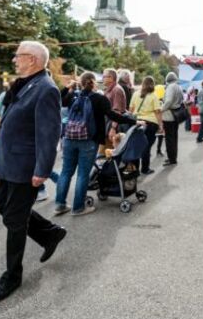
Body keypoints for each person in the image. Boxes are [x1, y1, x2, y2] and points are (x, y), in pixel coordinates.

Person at [0, 41, 65, 304]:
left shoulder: (45, 89)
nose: (14, 61)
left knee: (14, 221)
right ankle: (50, 232)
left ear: (31, 59)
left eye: (17, 56)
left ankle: (12, 276)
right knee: (4, 208)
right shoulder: (26, 84)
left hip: (25, 166)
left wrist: (42, 170)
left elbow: (49, 134)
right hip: (9, 163)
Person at [52, 72, 138, 216]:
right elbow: (113, 115)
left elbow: (60, 101)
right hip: (89, 139)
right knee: (83, 174)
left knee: (66, 172)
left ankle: (60, 205)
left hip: (69, 138)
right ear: (92, 82)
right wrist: (134, 121)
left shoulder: (74, 96)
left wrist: (68, 88)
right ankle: (78, 207)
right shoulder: (99, 98)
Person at [128, 76, 162, 175]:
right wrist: (160, 125)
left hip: (137, 123)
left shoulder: (135, 94)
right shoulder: (154, 96)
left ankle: (135, 169)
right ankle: (145, 168)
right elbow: (157, 112)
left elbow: (131, 110)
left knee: (136, 146)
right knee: (146, 146)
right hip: (151, 123)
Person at [160, 72, 184, 166]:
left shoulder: (170, 87)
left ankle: (171, 159)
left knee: (169, 138)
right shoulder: (178, 87)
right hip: (176, 114)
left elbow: (169, 101)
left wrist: (161, 109)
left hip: (169, 115)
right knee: (174, 137)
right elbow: (181, 99)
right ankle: (173, 157)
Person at [102, 68, 127, 140]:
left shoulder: (117, 90)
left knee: (108, 149)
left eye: (104, 76)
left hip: (113, 126)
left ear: (111, 78)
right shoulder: (109, 89)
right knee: (103, 150)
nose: (102, 79)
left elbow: (117, 111)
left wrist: (113, 129)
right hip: (107, 124)